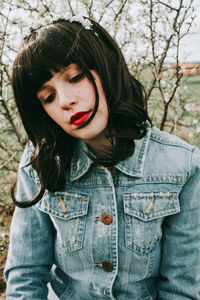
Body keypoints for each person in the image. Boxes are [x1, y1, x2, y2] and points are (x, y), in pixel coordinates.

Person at [4, 16, 200, 300]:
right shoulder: (39, 165)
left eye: (75, 77)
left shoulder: (183, 166)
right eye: (48, 97)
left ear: (106, 69)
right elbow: (25, 277)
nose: (64, 101)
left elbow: (181, 288)